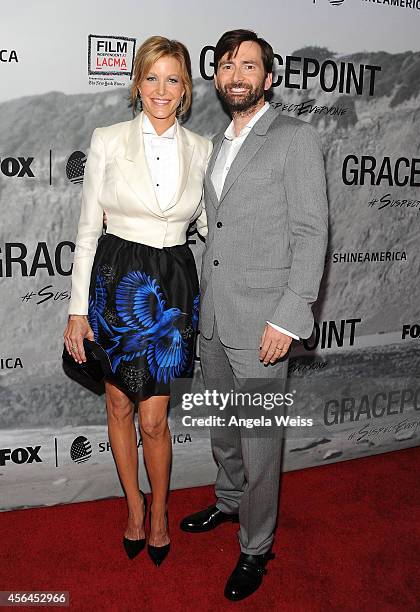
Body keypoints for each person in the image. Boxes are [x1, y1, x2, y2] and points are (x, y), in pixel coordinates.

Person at [180, 29, 328, 600]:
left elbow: (311, 231)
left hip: (266, 320)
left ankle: (256, 545)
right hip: (215, 315)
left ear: (268, 77)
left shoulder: (293, 137)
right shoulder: (217, 143)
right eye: (226, 65)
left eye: (249, 66)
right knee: (223, 425)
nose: (236, 75)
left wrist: (289, 316)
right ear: (216, 77)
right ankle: (227, 501)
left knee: (261, 440)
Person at [63, 36, 211, 567]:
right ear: (136, 84)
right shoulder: (107, 139)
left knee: (154, 419)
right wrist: (78, 310)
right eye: (152, 78)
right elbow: (85, 231)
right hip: (117, 277)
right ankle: (132, 506)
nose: (161, 90)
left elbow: (210, 230)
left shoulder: (203, 149)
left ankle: (161, 511)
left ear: (187, 88)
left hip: (171, 280)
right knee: (119, 403)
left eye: (173, 79)